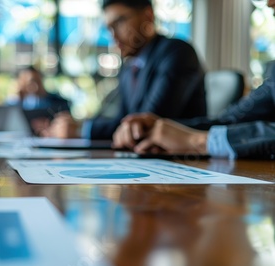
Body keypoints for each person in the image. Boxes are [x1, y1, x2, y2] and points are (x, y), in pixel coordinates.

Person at [111, 0, 275, 159]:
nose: (269, 3)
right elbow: (230, 121)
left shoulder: (175, 52)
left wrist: (198, 141)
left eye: (120, 21)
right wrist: (162, 129)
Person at [44, 0, 206, 140]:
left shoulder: (177, 52)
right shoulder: (130, 68)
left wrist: (82, 129)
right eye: (109, 28)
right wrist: (78, 125)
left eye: (120, 22)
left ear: (148, 16)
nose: (113, 35)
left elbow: (145, 124)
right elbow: (122, 119)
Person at [9, 66, 71, 135]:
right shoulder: (13, 105)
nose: (34, 85)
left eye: (37, 81)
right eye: (29, 82)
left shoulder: (58, 103)